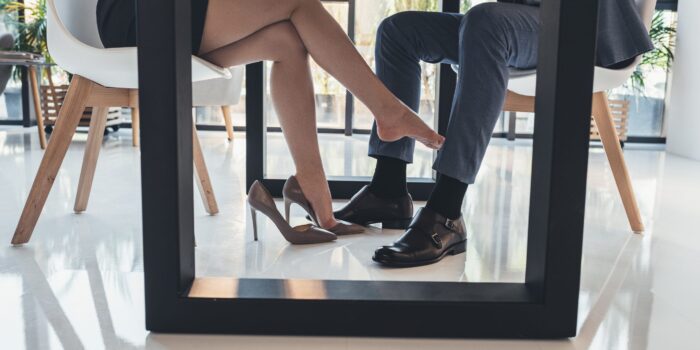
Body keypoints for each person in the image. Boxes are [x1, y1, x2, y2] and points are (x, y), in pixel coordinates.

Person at [335, 0, 654, 267]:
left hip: (585, 26)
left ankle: (447, 212)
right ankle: (387, 190)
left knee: (486, 22)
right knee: (398, 31)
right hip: (526, 18)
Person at [95, 0, 445, 241]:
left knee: (287, 42)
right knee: (299, 3)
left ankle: (315, 193)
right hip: (140, 16)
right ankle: (388, 111)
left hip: (172, 17)